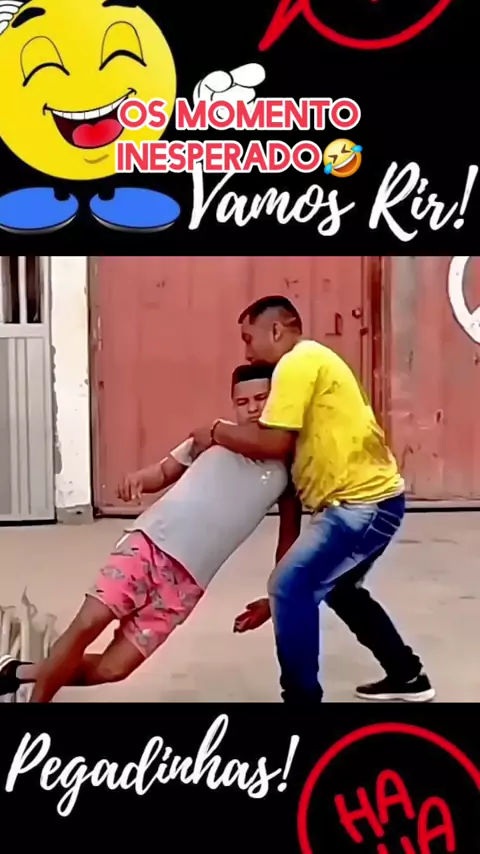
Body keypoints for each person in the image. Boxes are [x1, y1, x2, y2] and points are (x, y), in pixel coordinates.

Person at [0, 363, 294, 702]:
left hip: (186, 584)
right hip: (149, 546)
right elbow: (164, 472)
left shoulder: (287, 470)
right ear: (233, 405)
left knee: (113, 668)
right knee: (87, 624)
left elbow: (287, 541)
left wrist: (273, 600)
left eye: (261, 398)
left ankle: (15, 673)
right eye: (243, 402)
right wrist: (139, 479)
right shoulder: (213, 437)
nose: (253, 408)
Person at [191, 296, 435, 704]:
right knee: (336, 589)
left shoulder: (297, 362)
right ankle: (408, 676)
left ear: (276, 330)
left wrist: (214, 431)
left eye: (249, 339)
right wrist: (278, 595)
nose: (247, 352)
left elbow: (271, 441)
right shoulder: (311, 364)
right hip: (371, 503)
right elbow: (290, 523)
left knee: (294, 588)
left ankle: (301, 701)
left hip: (362, 506)